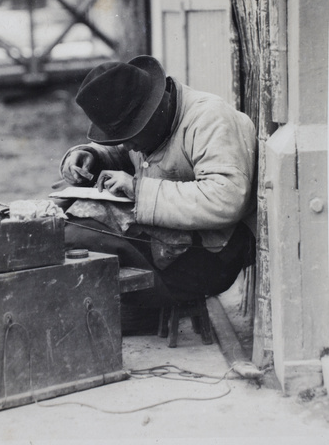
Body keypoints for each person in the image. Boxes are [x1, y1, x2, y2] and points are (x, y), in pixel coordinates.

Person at [60, 55, 257, 332]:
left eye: (131, 134)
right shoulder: (156, 125)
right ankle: (134, 306)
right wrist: (92, 155)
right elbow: (129, 151)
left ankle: (138, 307)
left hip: (211, 257)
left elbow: (227, 198)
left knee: (83, 234)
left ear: (154, 109)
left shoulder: (210, 119)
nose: (128, 145)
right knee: (64, 219)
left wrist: (138, 189)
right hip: (174, 244)